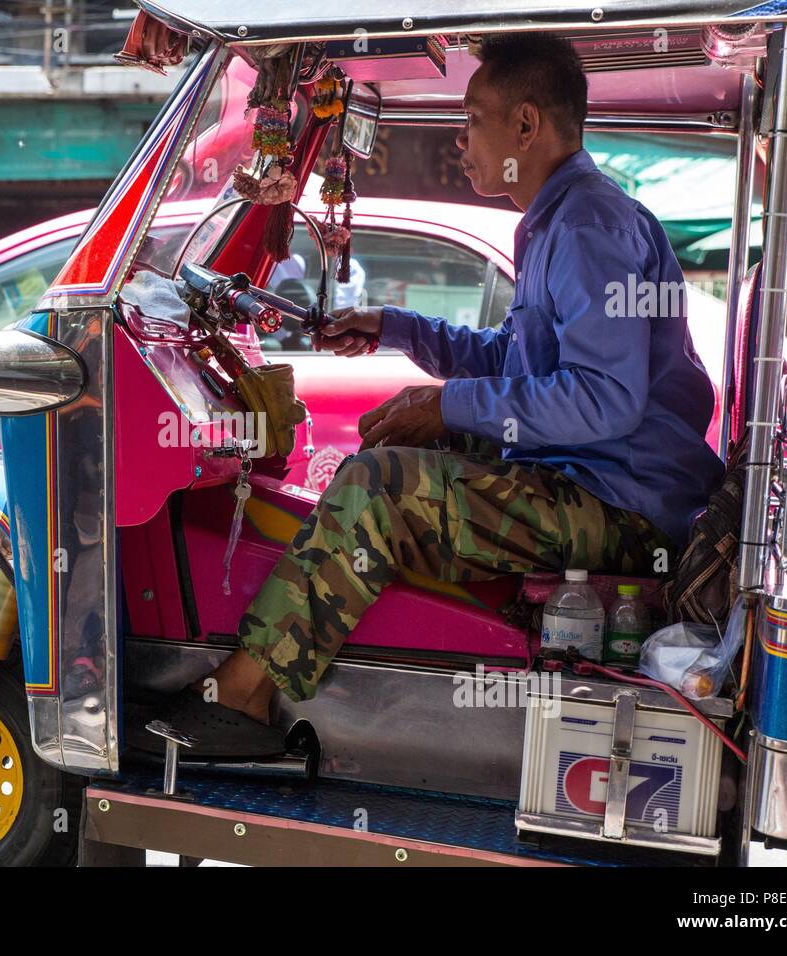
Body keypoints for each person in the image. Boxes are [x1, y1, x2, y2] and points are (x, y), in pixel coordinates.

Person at [154, 32, 725, 755]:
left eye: (473, 120)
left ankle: (241, 694)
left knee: (381, 485)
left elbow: (602, 401)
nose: (463, 141)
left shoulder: (587, 226)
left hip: (625, 508)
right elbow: (517, 361)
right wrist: (395, 328)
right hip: (596, 480)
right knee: (397, 441)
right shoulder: (559, 219)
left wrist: (445, 406)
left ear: (526, 124)